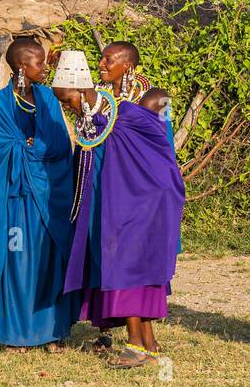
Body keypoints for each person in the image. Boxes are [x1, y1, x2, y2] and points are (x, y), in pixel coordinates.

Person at [64, 42, 184, 369]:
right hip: (107, 189)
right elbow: (90, 136)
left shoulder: (154, 97)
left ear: (127, 65)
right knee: (119, 257)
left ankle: (135, 345)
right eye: (101, 58)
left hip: (143, 189)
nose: (101, 63)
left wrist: (94, 107)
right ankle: (149, 342)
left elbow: (158, 141)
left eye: (108, 59)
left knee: (130, 260)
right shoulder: (102, 97)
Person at [0, 37, 78, 352]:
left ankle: (52, 332)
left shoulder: (48, 98)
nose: (46, 68)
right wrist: (25, 148)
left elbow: (62, 145)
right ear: (22, 66)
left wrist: (35, 148)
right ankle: (16, 335)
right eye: (39, 63)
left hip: (48, 199)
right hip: (16, 201)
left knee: (49, 261)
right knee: (17, 262)